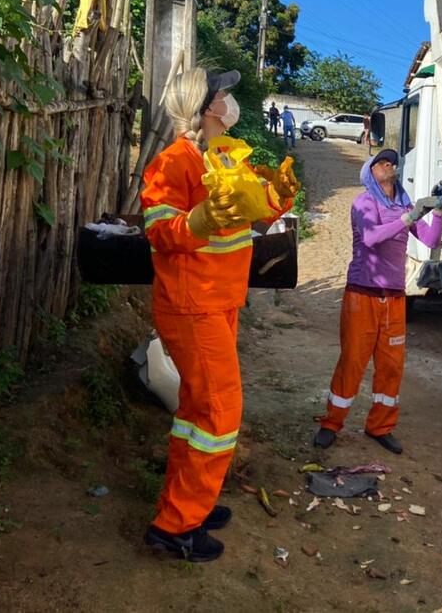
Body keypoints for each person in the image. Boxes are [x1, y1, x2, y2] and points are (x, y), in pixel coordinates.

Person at [140, 67, 300, 562]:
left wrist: (280, 193)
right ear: (210, 107)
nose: (231, 101)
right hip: (193, 306)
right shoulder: (173, 162)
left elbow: (254, 211)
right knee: (218, 414)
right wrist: (199, 220)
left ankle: (190, 504)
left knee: (195, 414)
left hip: (219, 303)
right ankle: (176, 527)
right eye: (225, 94)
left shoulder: (226, 155)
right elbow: (158, 229)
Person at [313, 149, 442, 454]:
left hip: (394, 298)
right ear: (369, 173)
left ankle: (380, 426)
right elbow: (372, 238)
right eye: (381, 163)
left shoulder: (404, 203)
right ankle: (331, 423)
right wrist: (411, 216)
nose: (389, 165)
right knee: (352, 362)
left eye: (392, 162)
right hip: (362, 294)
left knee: (391, 366)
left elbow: (430, 240)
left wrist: (438, 210)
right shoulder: (364, 202)